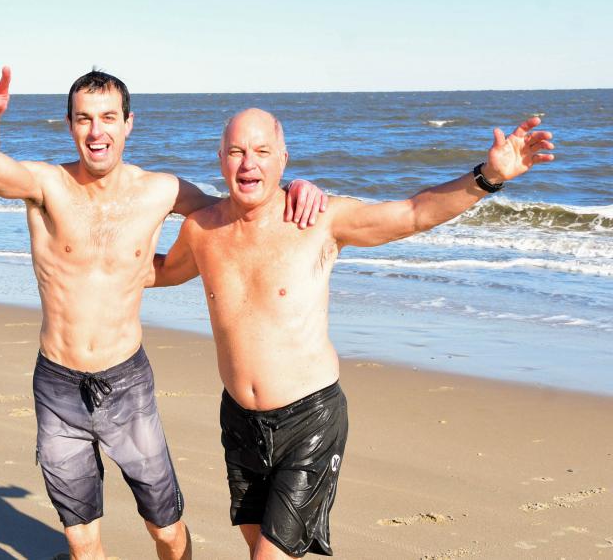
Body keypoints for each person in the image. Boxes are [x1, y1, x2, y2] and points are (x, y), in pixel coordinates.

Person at [151, 108, 555, 558]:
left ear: (283, 159)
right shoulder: (202, 230)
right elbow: (162, 271)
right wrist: (76, 254)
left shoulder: (319, 220)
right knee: (256, 543)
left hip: (310, 421)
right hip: (240, 421)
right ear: (220, 157)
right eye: (237, 151)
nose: (249, 163)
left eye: (262, 151)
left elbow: (413, 213)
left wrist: (487, 177)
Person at [0, 67, 326, 560]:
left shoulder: (162, 191)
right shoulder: (45, 185)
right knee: (82, 540)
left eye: (109, 118)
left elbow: (239, 207)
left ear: (128, 123)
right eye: (85, 119)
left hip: (126, 386)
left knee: (166, 527)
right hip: (58, 387)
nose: (97, 132)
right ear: (69, 124)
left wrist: (296, 187)